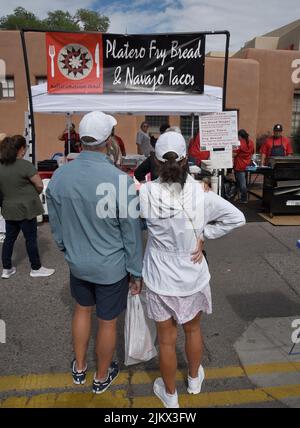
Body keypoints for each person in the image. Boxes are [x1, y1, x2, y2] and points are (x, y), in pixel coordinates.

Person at [139, 131, 245, 408]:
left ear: (156, 160)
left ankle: (171, 395)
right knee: (193, 330)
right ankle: (195, 380)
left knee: (165, 340)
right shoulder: (201, 191)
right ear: (186, 159)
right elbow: (238, 218)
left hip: (159, 274)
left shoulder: (146, 192)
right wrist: (204, 233)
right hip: (192, 270)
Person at [46, 111, 143, 394]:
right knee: (107, 321)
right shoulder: (119, 180)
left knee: (81, 310)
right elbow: (131, 233)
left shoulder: (61, 175)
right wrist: (135, 271)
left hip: (78, 262)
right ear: (108, 140)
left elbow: (56, 221)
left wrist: (66, 247)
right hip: (110, 265)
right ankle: (101, 376)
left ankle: (79, 368)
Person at [0, 135, 55, 279]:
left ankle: (6, 268)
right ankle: (36, 268)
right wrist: (32, 193)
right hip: (26, 208)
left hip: (8, 207)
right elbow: (39, 184)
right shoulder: (25, 165)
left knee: (9, 239)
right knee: (30, 238)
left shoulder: (1, 165)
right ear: (21, 149)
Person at [233, 129, 255, 203]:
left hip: (239, 166)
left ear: (240, 136)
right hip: (247, 165)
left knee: (242, 184)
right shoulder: (251, 142)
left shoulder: (239, 143)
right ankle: (241, 197)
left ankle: (244, 199)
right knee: (244, 182)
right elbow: (252, 153)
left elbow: (235, 154)